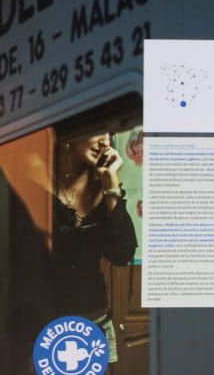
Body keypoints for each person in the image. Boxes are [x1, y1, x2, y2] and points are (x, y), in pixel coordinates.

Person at [51, 131, 137, 365]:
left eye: (109, 134)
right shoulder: (39, 175)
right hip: (43, 320)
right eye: (98, 130)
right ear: (72, 133)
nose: (105, 141)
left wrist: (111, 186)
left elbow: (122, 254)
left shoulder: (102, 185)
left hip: (92, 320)